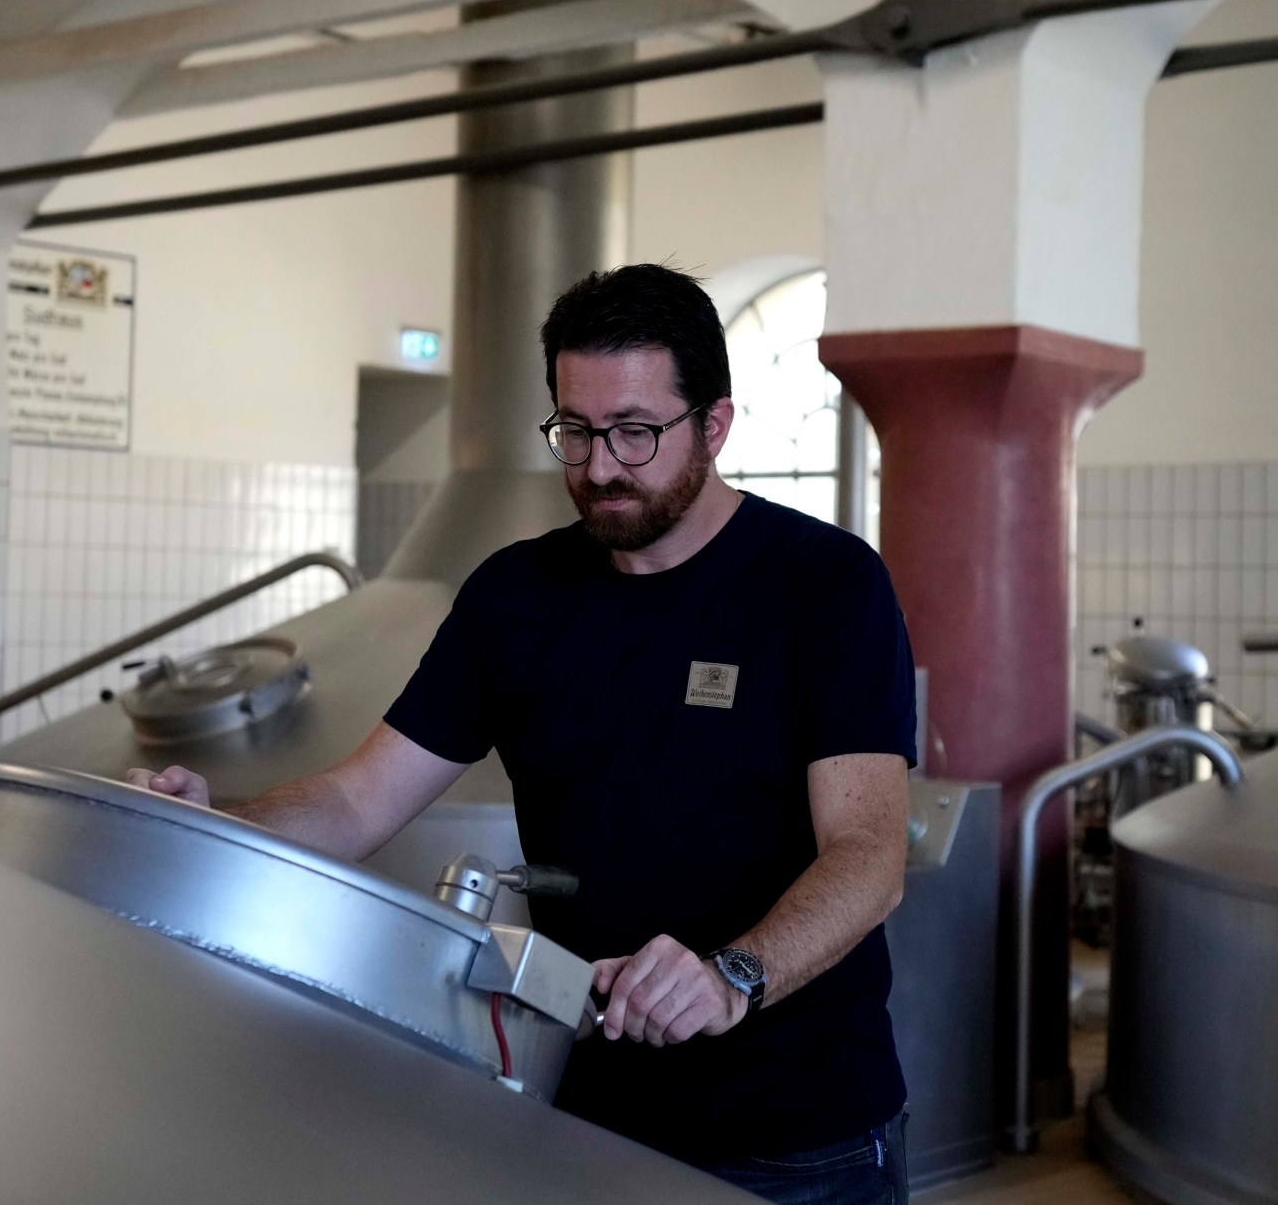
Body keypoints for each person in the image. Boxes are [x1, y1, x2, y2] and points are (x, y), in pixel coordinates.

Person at [130, 264, 917, 1205]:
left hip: (797, 1137)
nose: (598, 467)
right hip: (578, 1111)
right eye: (574, 431)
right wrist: (213, 822)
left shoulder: (824, 587)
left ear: (715, 424)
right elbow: (356, 798)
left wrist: (729, 976)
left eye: (635, 431)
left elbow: (870, 854)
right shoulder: (516, 596)